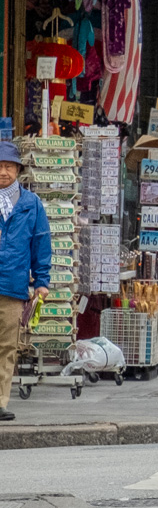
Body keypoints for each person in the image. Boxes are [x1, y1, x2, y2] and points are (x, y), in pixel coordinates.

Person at [0, 141, 50, 422]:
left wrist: (42, 280)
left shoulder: (31, 204)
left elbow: (41, 243)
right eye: (0, 167)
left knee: (7, 346)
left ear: (18, 170)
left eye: (8, 166)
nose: (3, 172)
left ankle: (0, 402)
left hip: (13, 286)